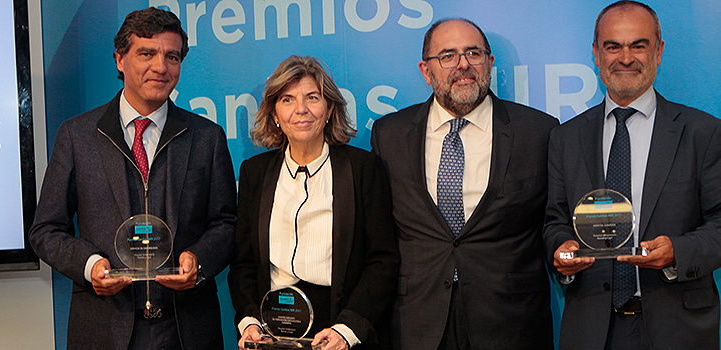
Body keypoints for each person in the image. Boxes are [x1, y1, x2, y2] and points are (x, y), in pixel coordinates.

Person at [28, 7, 236, 350]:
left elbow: (227, 224)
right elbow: (46, 230)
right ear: (120, 60)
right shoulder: (77, 136)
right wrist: (91, 266)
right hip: (104, 326)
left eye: (172, 56)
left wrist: (198, 260)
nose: (161, 67)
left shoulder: (206, 137)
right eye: (147, 53)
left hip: (186, 329)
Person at [543, 2, 721, 349]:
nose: (626, 58)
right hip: (591, 328)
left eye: (638, 45)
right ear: (596, 53)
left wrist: (677, 252)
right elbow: (556, 220)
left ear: (659, 51)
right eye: (613, 46)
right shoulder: (567, 137)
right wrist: (561, 251)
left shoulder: (701, 132)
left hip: (677, 329)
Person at [371, 18, 559, 350]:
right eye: (447, 55)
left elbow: (555, 220)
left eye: (473, 53)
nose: (463, 64)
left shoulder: (538, 131)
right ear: (425, 70)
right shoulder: (389, 134)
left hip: (511, 321)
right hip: (417, 321)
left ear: (489, 62)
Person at [228, 56, 400, 350]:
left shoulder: (362, 169)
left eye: (312, 97)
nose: (301, 109)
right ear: (274, 114)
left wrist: (347, 329)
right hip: (272, 331)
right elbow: (243, 263)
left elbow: (383, 260)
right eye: (287, 99)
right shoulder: (254, 172)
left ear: (330, 108)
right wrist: (250, 321)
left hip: (338, 326)